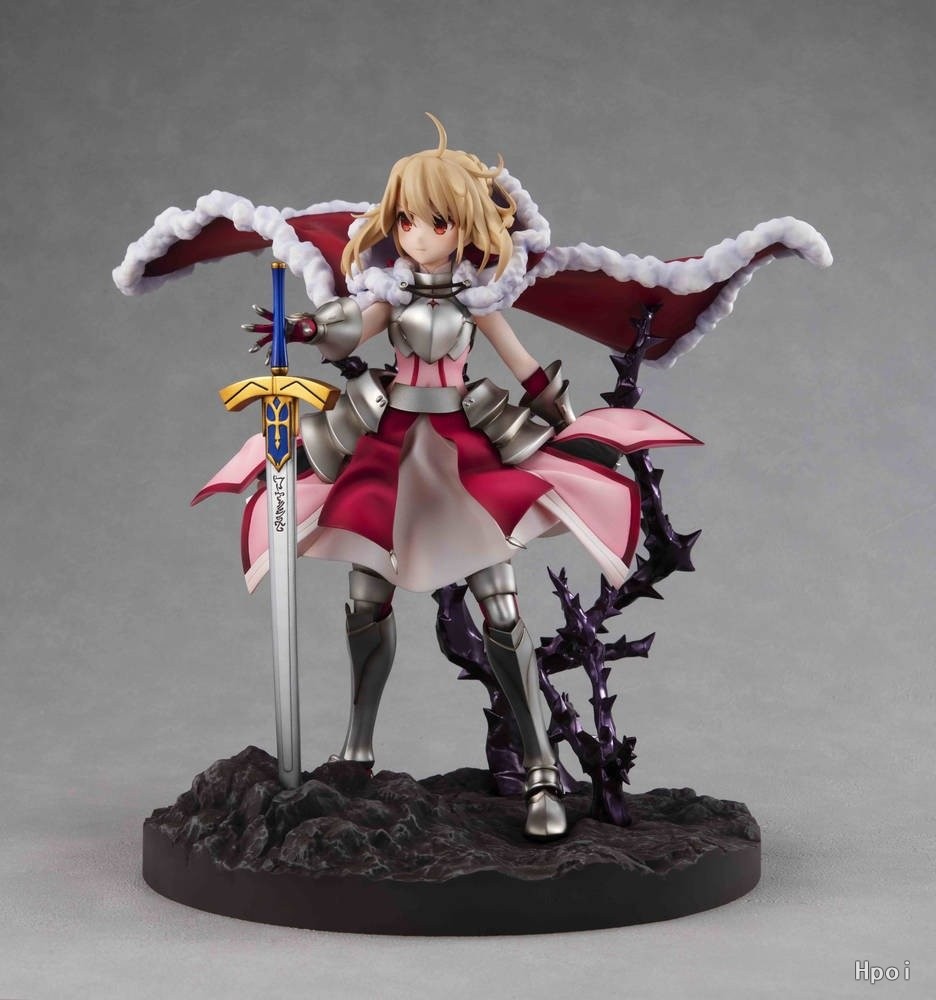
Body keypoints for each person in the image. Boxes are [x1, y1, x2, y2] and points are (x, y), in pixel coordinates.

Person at [115, 114, 831, 840]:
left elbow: (524, 366)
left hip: (464, 452)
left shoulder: (478, 303)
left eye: (435, 221)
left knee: (501, 608)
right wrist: (302, 329)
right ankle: (357, 747)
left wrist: (570, 426)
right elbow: (350, 325)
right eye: (406, 219)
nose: (418, 234)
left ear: (464, 227)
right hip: (389, 448)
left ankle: (541, 771)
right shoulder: (390, 294)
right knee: (366, 594)